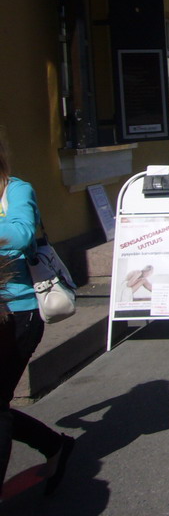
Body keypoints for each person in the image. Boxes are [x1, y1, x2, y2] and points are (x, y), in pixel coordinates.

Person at [0, 136, 75, 496]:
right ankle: (55, 446)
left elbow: (21, 233)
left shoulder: (16, 191)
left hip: (17, 314)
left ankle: (55, 447)